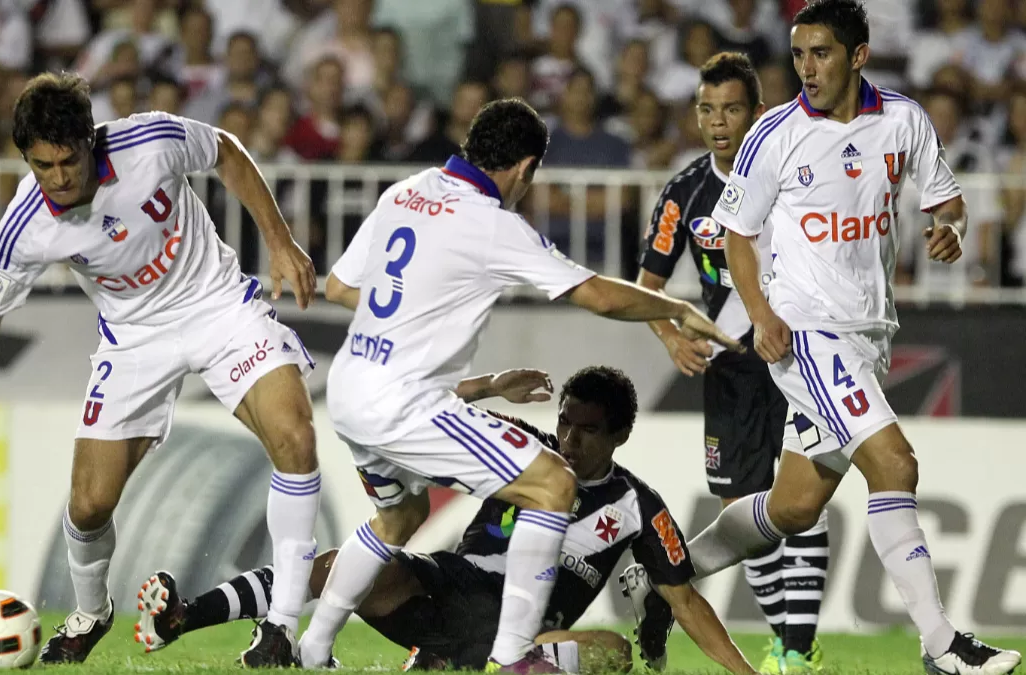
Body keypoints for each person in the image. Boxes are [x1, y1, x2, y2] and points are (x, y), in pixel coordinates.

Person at [0, 72, 322, 668]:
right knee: (89, 503)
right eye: (42, 166)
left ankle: (279, 627)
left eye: (68, 161)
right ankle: (91, 611)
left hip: (218, 306)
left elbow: (225, 149)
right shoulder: (26, 225)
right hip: (132, 340)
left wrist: (278, 241)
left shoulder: (151, 143)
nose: (59, 179)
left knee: (295, 438)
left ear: (91, 142)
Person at [623, 3, 1021, 673]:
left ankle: (667, 578)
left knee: (795, 504)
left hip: (870, 333)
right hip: (807, 333)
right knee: (895, 464)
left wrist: (948, 226)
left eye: (822, 53)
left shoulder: (904, 120)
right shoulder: (772, 134)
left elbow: (944, 200)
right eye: (799, 53)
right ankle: (942, 643)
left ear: (858, 56)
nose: (807, 67)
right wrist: (761, 311)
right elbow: (739, 236)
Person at [298, 97, 742, 672]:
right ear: (527, 168)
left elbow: (338, 288)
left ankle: (311, 648)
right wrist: (676, 309)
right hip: (406, 399)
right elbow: (599, 296)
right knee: (554, 483)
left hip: (350, 387)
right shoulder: (493, 225)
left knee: (396, 520)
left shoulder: (407, 191)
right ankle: (513, 658)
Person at [131, 366, 757, 675]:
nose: (568, 439)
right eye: (565, 421)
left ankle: (448, 659)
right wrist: (493, 384)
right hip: (455, 584)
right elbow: (426, 407)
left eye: (587, 431)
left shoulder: (639, 507)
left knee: (613, 657)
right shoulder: (524, 450)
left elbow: (687, 601)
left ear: (620, 435)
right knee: (346, 567)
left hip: (530, 634)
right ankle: (187, 615)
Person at [636, 52, 829, 674]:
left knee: (804, 499)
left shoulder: (795, 172)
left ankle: (797, 651)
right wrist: (669, 336)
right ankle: (784, 643)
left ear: (757, 112)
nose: (719, 123)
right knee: (744, 512)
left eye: (732, 109)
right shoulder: (685, 191)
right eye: (707, 110)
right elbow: (648, 283)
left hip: (802, 351)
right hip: (732, 364)